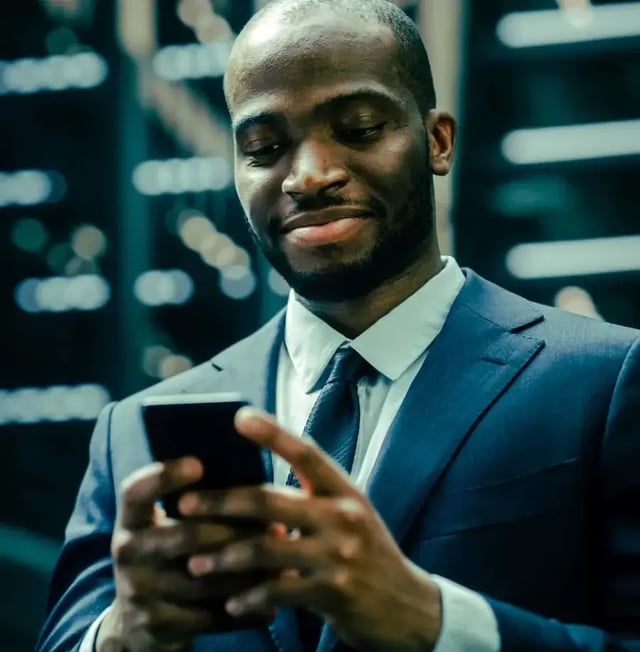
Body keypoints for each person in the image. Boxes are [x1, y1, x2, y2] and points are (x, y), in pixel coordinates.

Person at [37, 0, 640, 650]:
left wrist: (435, 623)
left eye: (357, 128)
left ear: (438, 141)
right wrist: (120, 636)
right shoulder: (132, 434)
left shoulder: (604, 383)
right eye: (264, 148)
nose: (309, 176)